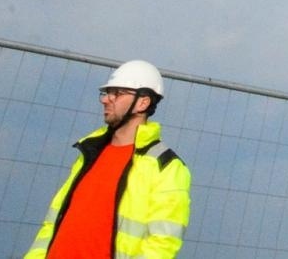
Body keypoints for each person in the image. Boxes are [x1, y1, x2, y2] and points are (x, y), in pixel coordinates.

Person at [24, 59, 191, 259]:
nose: (106, 99)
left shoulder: (166, 166)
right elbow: (52, 224)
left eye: (118, 93)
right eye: (106, 93)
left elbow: (163, 243)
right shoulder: (89, 153)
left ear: (143, 102)